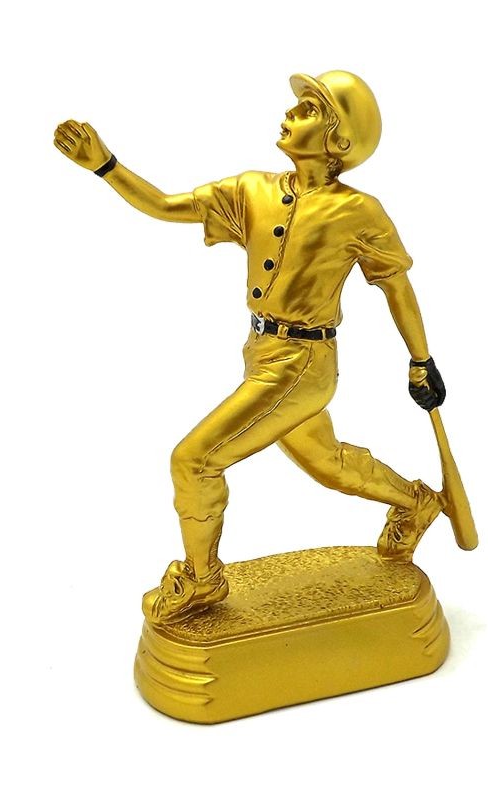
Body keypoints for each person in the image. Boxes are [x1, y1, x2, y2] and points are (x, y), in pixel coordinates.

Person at [54, 70, 448, 625]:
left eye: (308, 110)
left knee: (194, 460)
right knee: (329, 465)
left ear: (338, 140)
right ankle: (415, 501)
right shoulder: (252, 191)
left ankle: (202, 579)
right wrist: (105, 165)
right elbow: (166, 205)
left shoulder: (360, 211)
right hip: (261, 352)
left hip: (304, 364)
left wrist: (421, 360)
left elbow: (396, 286)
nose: (290, 114)